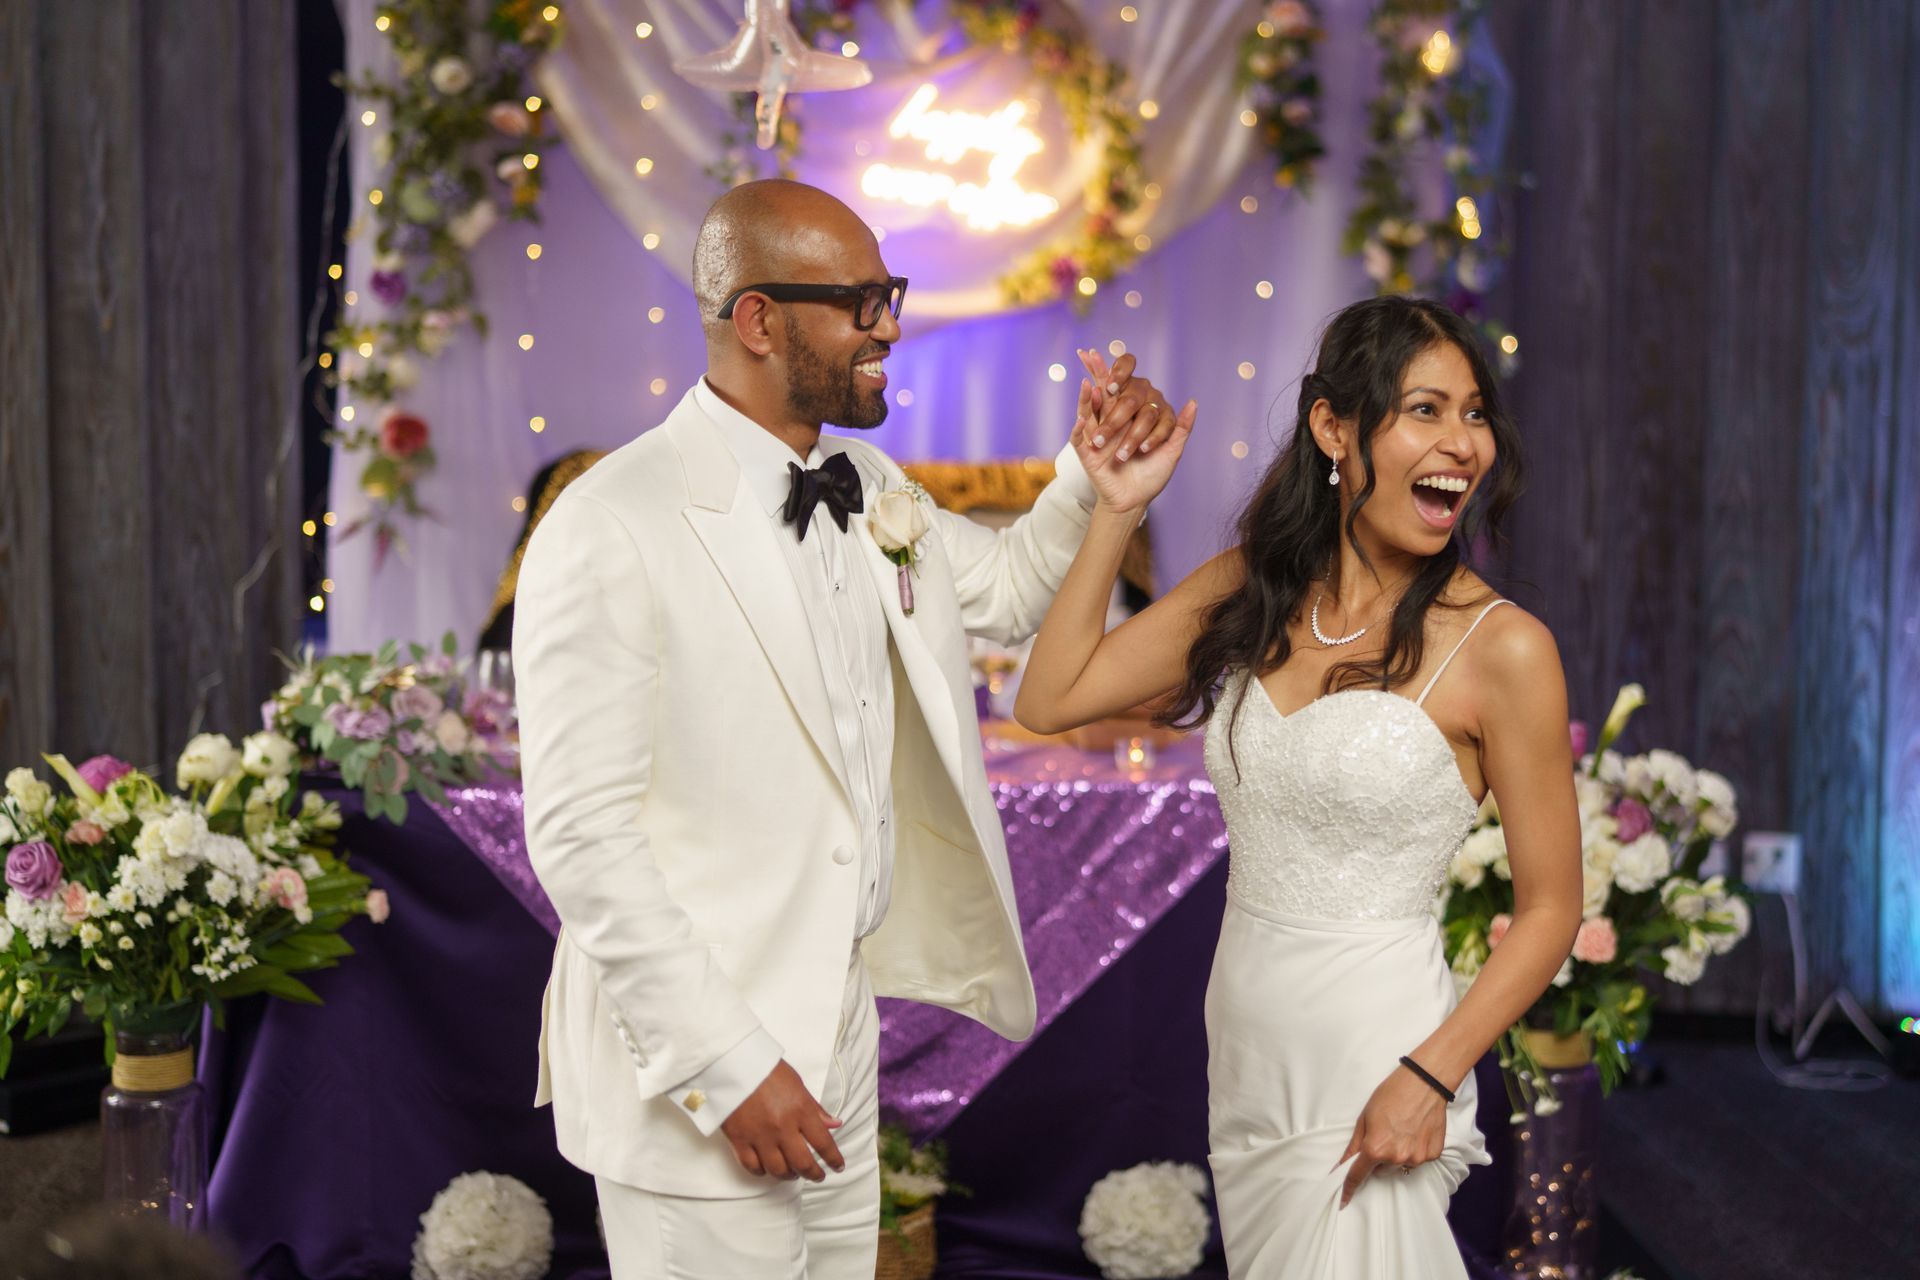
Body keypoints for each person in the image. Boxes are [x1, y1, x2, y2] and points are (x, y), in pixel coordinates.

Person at [512, 178, 1187, 1279]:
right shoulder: (611, 522)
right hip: (696, 1068)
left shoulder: (868, 482)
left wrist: (1097, 487)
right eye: (861, 301)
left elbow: (1010, 593)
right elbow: (582, 839)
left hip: (837, 1032)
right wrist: (727, 1064)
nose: (890, 326)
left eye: (891, 294)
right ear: (760, 319)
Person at [1016, 295, 1582, 1277]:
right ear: (1334, 426)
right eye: (1425, 410)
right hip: (1247, 1042)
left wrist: (1429, 1071)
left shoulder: (1506, 648)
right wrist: (1118, 509)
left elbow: (1551, 908)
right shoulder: (1252, 588)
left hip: (1383, 1049)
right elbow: (1051, 694)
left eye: (1475, 412)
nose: (1462, 442)